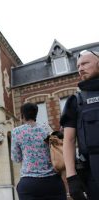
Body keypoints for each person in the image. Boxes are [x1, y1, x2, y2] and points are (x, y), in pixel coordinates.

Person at [60, 50, 99, 200]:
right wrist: (72, 178)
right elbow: (68, 140)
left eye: (85, 63)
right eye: (78, 66)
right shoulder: (75, 101)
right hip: (93, 171)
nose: (80, 68)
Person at [11, 102, 66, 200]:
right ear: (36, 114)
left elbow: (16, 158)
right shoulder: (46, 128)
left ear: (22, 115)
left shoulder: (16, 131)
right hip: (53, 181)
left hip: (29, 183)